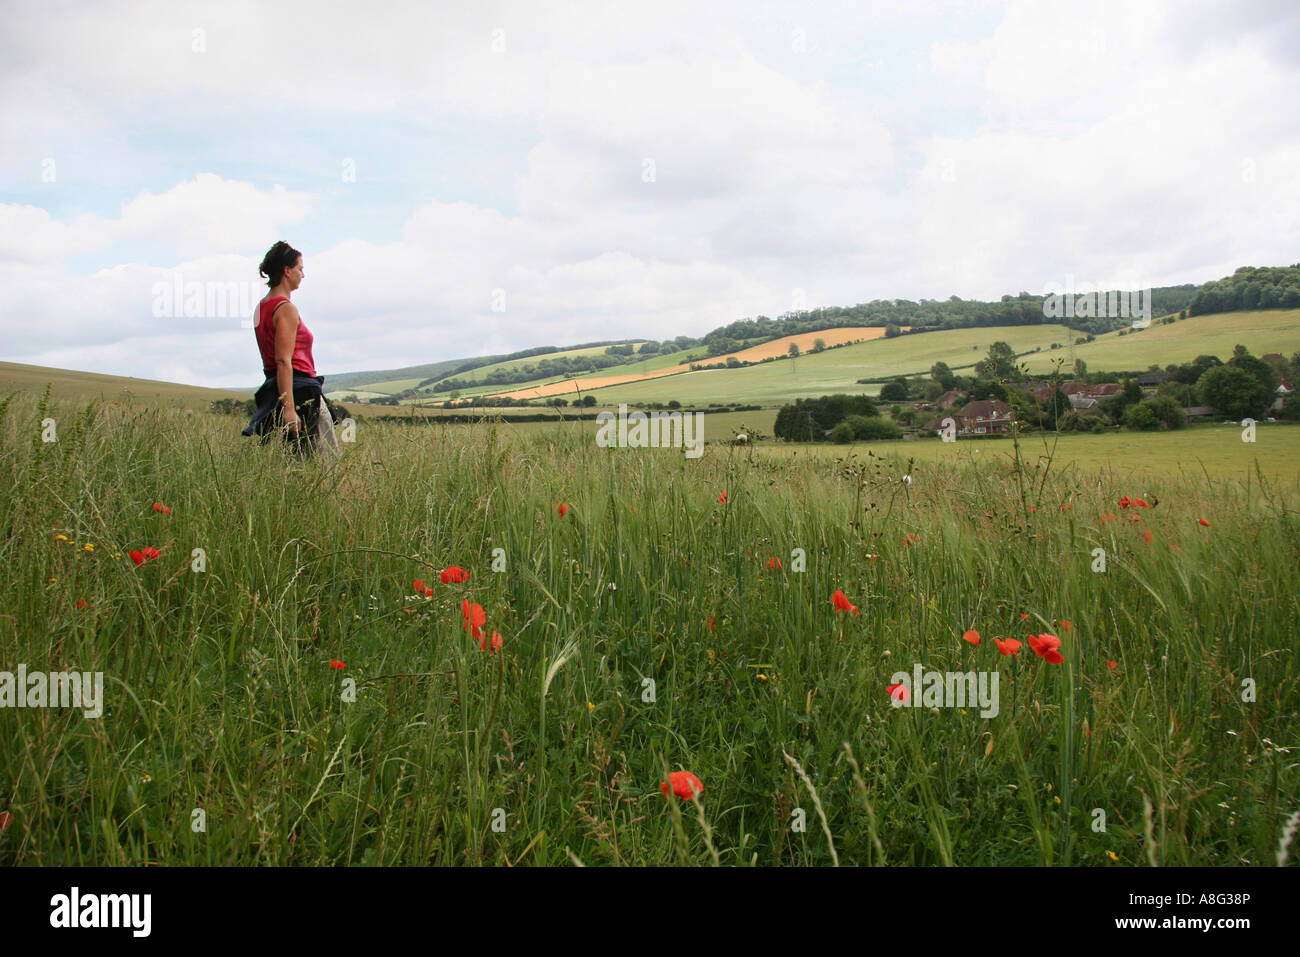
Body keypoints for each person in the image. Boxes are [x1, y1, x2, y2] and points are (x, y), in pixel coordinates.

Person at [242, 241, 340, 459]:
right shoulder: (285, 308)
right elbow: (283, 361)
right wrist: (289, 409)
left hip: (275, 390)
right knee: (327, 463)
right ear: (287, 271)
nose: (302, 274)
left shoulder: (261, 307)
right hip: (298, 391)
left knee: (297, 461)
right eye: (300, 268)